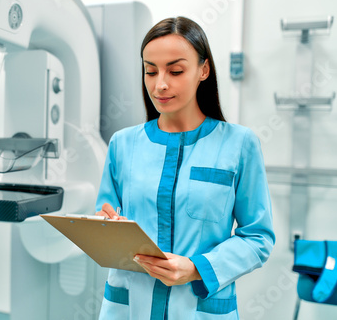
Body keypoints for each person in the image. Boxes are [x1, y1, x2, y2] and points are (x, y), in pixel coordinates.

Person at [95, 16, 275, 319]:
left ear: (203, 70)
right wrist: (104, 225)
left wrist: (196, 269)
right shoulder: (122, 144)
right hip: (128, 305)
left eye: (175, 70)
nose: (160, 84)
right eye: (150, 71)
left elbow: (258, 237)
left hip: (198, 308)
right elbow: (104, 215)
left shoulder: (239, 144)